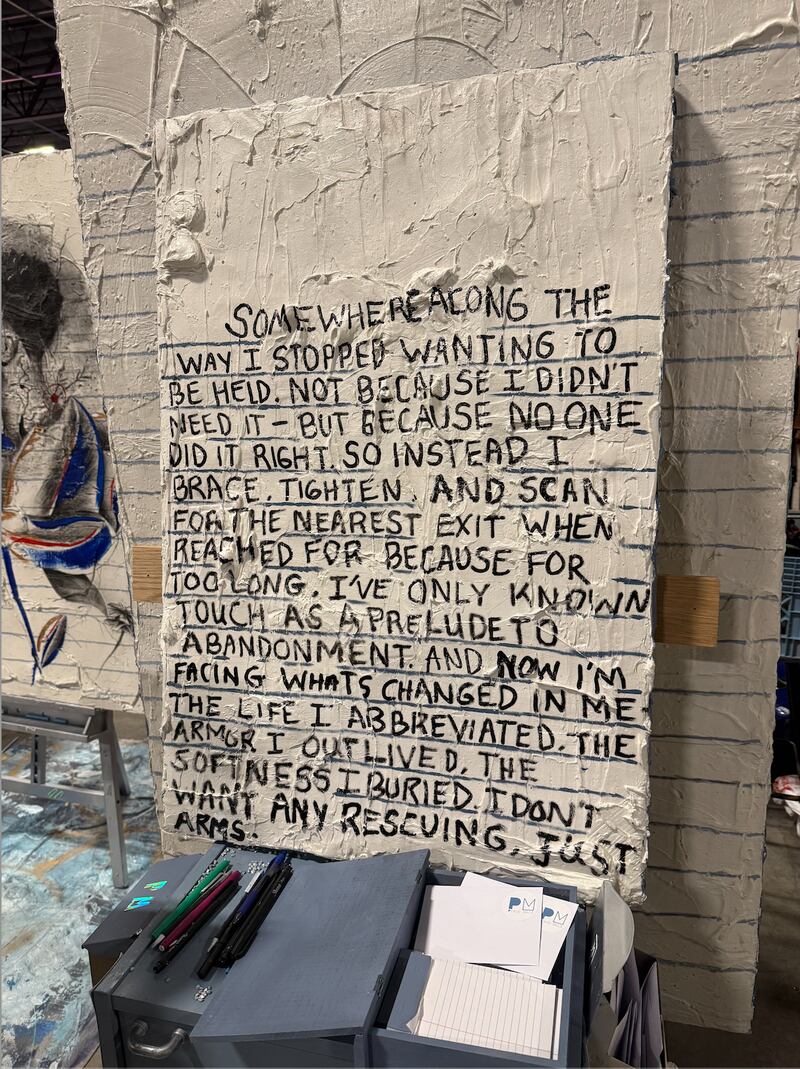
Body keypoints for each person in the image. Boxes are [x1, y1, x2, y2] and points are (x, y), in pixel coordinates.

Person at [2, 230, 132, 681]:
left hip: (79, 540)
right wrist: (99, 606)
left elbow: (25, 529)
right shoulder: (42, 433)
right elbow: (40, 548)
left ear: (5, 345)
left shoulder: (60, 430)